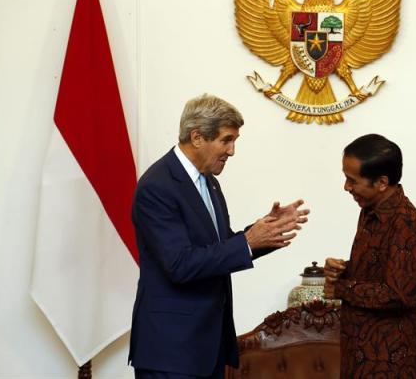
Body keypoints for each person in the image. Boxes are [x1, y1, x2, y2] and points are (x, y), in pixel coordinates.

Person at [128, 94, 309, 378]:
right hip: (171, 352)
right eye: (226, 140)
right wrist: (248, 242)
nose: (232, 150)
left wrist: (264, 231)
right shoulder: (157, 187)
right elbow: (180, 264)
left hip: (207, 346)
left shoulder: (208, 182)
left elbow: (219, 248)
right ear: (197, 137)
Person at [324, 134, 416, 378]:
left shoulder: (406, 222)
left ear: (381, 182)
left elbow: (399, 294)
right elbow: (382, 270)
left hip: (390, 363)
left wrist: (341, 288)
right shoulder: (370, 210)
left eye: (352, 180)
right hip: (359, 356)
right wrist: (345, 270)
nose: (346, 187)